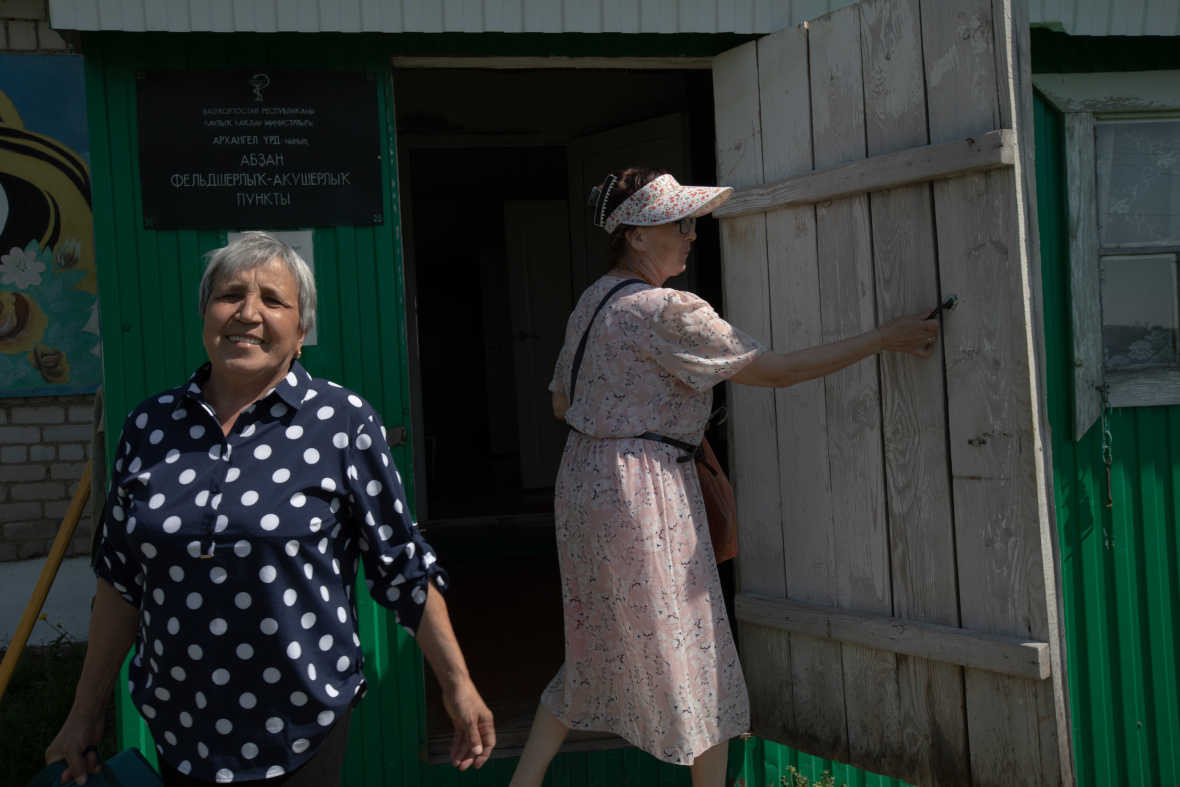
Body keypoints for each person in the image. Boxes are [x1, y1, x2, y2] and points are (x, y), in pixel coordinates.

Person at [508, 168, 939, 787]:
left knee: (594, 645)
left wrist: (635, 407)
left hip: (585, 483)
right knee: (699, 657)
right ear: (635, 236)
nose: (690, 236)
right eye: (678, 224)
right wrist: (883, 338)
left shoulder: (594, 300)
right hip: (644, 491)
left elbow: (559, 402)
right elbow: (778, 371)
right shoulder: (669, 310)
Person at [45, 232, 495, 785]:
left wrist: (458, 684)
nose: (248, 313)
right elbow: (119, 580)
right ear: (205, 313)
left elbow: (401, 565)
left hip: (299, 720)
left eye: (273, 300)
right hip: (181, 718)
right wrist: (84, 712)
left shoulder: (341, 421)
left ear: (301, 331)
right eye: (230, 295)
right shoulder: (149, 425)